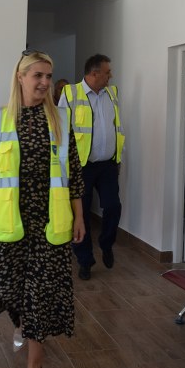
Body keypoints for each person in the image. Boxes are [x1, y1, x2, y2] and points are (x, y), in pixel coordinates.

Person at [0, 50, 85, 368]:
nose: (45, 82)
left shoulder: (60, 119)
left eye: (49, 76)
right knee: (8, 288)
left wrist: (79, 217)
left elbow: (74, 173)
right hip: (11, 221)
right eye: (38, 75)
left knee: (40, 295)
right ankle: (21, 321)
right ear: (20, 77)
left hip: (50, 222)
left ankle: (35, 365)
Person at [58, 54, 125, 280]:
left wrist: (118, 157)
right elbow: (60, 131)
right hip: (81, 167)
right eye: (107, 72)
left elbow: (116, 127)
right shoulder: (70, 94)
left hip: (107, 165)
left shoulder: (111, 94)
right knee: (81, 214)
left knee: (113, 206)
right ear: (94, 73)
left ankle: (106, 244)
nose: (110, 76)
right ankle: (85, 260)